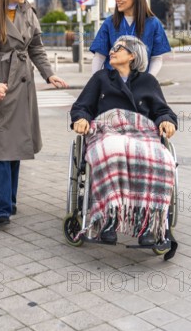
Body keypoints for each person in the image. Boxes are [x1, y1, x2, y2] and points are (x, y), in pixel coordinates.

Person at [0, 0, 68, 225]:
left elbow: (37, 47)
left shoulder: (28, 11)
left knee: (14, 146)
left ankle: (9, 202)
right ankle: (1, 210)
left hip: (23, 83)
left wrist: (49, 74)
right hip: (0, 83)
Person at [71, 35, 177, 245]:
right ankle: (109, 220)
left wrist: (166, 121)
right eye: (112, 48)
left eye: (118, 48)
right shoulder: (101, 78)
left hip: (141, 132)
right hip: (107, 130)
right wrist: (81, 118)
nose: (111, 51)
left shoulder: (148, 81)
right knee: (113, 149)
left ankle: (147, 223)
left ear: (132, 55)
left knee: (159, 158)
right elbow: (81, 106)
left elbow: (163, 110)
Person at [90, 0, 171, 76]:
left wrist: (149, 80)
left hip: (140, 84)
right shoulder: (109, 22)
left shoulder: (153, 23)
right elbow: (99, 56)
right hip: (113, 83)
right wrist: (95, 81)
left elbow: (157, 58)